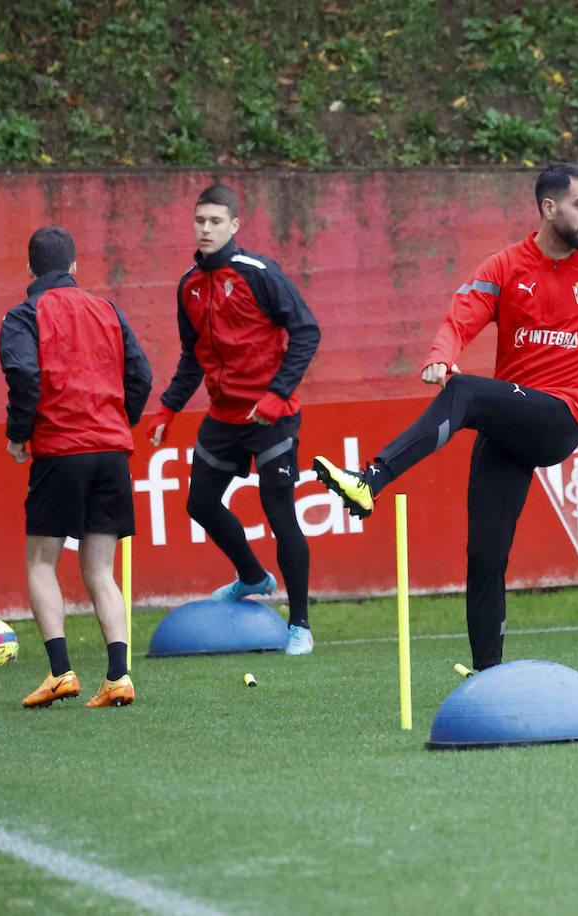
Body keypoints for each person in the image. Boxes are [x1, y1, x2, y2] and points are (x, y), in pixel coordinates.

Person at [314, 163, 578, 671]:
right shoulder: (505, 266)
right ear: (548, 208)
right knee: (485, 557)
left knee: (467, 390)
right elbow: (462, 314)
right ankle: (487, 676)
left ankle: (371, 479)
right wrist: (441, 352)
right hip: (508, 422)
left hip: (560, 418)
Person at [147, 184, 321, 656]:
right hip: (223, 417)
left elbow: (307, 330)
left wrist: (275, 394)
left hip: (272, 418)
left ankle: (300, 625)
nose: (206, 229)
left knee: (281, 516)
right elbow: (191, 356)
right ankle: (251, 576)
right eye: (200, 221)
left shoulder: (259, 273)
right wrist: (167, 407)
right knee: (199, 504)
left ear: (234, 225)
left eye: (215, 221)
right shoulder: (188, 283)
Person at [0, 226, 152, 708]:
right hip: (111, 452)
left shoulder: (24, 314)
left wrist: (20, 433)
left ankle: (62, 672)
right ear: (74, 267)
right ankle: (118, 677)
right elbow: (141, 375)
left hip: (61, 451)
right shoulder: (106, 308)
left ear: (29, 270)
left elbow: (23, 374)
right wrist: (117, 423)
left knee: (43, 562)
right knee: (100, 571)